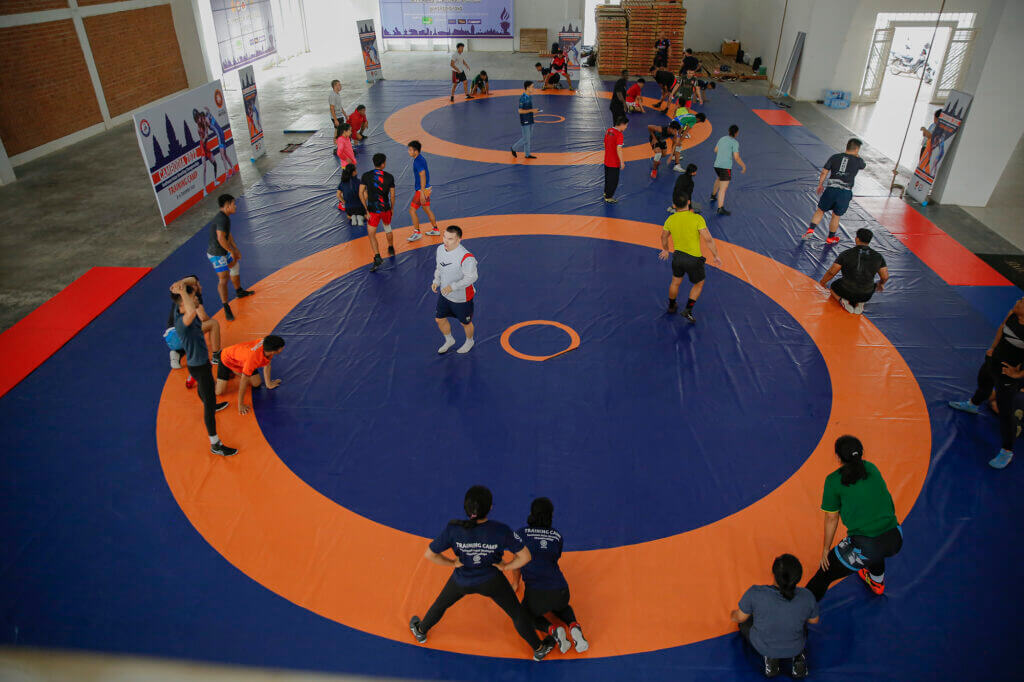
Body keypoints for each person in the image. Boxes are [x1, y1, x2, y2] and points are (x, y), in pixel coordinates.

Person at [408, 486, 558, 661]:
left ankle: (420, 631)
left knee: (440, 604)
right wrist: (506, 566)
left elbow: (430, 554)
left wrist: (453, 563)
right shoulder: (500, 530)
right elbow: (526, 557)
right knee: (517, 614)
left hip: (462, 580)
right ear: (490, 507)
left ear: (466, 507)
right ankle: (539, 648)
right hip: (492, 581)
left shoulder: (454, 529)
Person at [805, 436, 903, 601]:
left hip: (868, 546)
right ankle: (877, 582)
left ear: (838, 457)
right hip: (895, 538)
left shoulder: (833, 481)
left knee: (824, 574)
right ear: (862, 452)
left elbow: (831, 518)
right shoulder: (871, 467)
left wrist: (826, 549)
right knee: (875, 549)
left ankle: (798, 610)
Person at [948, 297, 1024, 469]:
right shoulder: (1013, 314)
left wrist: (1018, 374)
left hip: (1008, 374)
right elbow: (1002, 328)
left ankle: (1007, 451)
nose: (1018, 302)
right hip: (994, 360)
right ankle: (973, 405)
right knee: (984, 382)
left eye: (1022, 302)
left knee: (1005, 411)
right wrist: (993, 348)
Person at [169, 278, 236, 456]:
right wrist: (182, 292)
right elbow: (192, 310)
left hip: (198, 364)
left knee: (204, 388)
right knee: (209, 404)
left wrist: (180, 285)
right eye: (193, 297)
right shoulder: (183, 322)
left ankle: (209, 403)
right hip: (198, 366)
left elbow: (192, 281)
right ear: (184, 302)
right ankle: (215, 444)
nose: (197, 298)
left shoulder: (179, 308)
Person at [517, 498, 589, 654]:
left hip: (537, 596)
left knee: (523, 615)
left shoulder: (520, 534)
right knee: (562, 607)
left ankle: (554, 630)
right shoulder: (557, 536)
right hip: (561, 590)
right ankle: (574, 626)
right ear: (551, 515)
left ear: (532, 513)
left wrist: (515, 583)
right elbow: (553, 558)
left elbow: (517, 563)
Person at [731, 554, 818, 679]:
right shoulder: (807, 597)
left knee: (744, 624)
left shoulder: (756, 594)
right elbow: (814, 620)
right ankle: (799, 658)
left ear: (774, 575)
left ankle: (771, 660)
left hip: (765, 647)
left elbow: (739, 617)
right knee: (802, 620)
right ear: (798, 577)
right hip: (795, 647)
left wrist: (733, 614)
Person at [659, 194, 722, 322]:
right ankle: (688, 310)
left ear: (674, 206)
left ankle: (671, 306)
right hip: (694, 260)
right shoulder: (697, 218)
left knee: (675, 282)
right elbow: (708, 239)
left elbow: (663, 236)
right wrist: (715, 255)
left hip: (677, 258)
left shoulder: (670, 219)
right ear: (688, 202)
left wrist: (665, 249)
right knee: (699, 284)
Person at [802, 139, 866, 244]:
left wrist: (820, 184)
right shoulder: (858, 161)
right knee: (836, 216)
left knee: (820, 210)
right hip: (845, 192)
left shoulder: (835, 157)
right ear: (857, 149)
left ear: (847, 146)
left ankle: (810, 230)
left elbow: (824, 172)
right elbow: (863, 166)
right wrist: (857, 156)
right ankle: (830, 238)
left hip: (831, 189)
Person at [206, 194, 254, 322]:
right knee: (224, 278)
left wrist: (235, 249)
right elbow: (221, 238)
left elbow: (228, 234)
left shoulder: (225, 217)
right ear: (227, 206)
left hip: (223, 249)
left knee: (235, 265)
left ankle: (239, 291)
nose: (235, 206)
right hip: (216, 253)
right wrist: (231, 251)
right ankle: (226, 306)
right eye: (233, 204)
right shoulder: (222, 219)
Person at [818, 228, 888, 315]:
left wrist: (823, 282)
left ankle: (842, 300)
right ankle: (860, 303)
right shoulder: (878, 256)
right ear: (869, 240)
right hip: (866, 294)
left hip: (847, 291)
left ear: (857, 239)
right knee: (870, 286)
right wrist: (881, 284)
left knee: (833, 287)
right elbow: (885, 276)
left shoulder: (846, 254)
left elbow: (832, 272)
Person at [432, 225, 477, 354]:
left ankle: (470, 341)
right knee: (439, 319)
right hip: (445, 294)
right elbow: (439, 267)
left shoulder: (466, 257)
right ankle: (449, 340)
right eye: (444, 237)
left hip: (462, 297)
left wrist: (453, 287)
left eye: (450, 239)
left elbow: (472, 277)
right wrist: (436, 281)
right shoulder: (440, 249)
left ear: (459, 240)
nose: (445, 241)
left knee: (465, 323)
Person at [214, 335, 285, 415]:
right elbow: (243, 381)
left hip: (241, 360)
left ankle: (234, 370)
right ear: (273, 351)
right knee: (219, 392)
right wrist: (240, 404)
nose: (283, 348)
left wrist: (269, 384)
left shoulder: (267, 345)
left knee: (256, 383)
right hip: (226, 358)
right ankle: (228, 371)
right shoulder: (253, 358)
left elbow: (267, 364)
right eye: (281, 347)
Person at [359, 153, 397, 272]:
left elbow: (360, 193)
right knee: (387, 228)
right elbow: (392, 196)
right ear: (383, 164)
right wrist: (392, 208)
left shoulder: (366, 176)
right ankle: (391, 247)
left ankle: (377, 256)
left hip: (373, 211)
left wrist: (366, 210)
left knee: (371, 234)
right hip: (385, 209)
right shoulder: (389, 177)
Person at [407, 140, 440, 242]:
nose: (409, 152)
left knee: (412, 210)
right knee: (427, 209)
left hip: (422, 190)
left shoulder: (417, 161)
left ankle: (417, 233)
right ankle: (435, 229)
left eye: (410, 150)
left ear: (416, 151)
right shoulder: (420, 158)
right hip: (427, 188)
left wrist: (421, 192)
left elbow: (422, 175)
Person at [711, 125, 746, 216]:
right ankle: (720, 208)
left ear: (729, 131)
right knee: (723, 189)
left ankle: (713, 195)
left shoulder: (722, 138)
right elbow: (736, 157)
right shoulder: (735, 142)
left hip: (717, 165)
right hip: (725, 167)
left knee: (719, 178)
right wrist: (743, 166)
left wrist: (723, 152)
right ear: (736, 133)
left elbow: (715, 150)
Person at [511, 81, 539, 160]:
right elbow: (520, 111)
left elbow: (528, 109)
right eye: (532, 87)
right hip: (525, 120)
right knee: (526, 138)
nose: (533, 88)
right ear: (527, 87)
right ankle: (514, 148)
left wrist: (534, 111)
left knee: (528, 138)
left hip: (530, 119)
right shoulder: (522, 98)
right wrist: (532, 110)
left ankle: (527, 154)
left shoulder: (530, 96)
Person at [603, 117, 628, 203]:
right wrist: (622, 162)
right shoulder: (619, 135)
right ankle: (609, 197)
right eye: (626, 125)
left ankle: (606, 193)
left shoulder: (608, 130)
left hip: (607, 160)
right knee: (614, 180)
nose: (626, 127)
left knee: (607, 178)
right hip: (614, 162)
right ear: (622, 124)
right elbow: (619, 149)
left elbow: (605, 143)